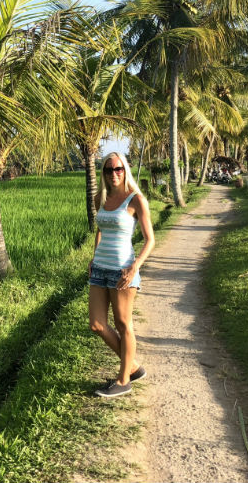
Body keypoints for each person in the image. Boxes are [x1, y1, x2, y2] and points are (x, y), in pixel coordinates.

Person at [89, 152, 155, 398]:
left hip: (122, 270)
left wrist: (135, 266)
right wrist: (94, 257)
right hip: (99, 269)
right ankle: (134, 367)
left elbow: (150, 240)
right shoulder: (101, 198)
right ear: (103, 173)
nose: (114, 174)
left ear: (125, 170)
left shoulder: (135, 200)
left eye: (118, 169)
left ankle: (123, 379)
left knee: (123, 323)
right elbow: (100, 229)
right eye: (108, 170)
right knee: (96, 324)